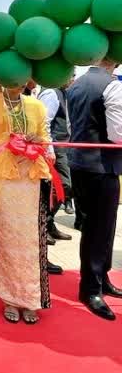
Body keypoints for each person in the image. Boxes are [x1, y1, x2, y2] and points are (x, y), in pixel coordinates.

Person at [0, 78, 53, 325]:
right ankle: (10, 298)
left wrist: (37, 140)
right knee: (8, 238)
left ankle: (31, 298)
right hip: (6, 179)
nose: (19, 81)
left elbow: (46, 138)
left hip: (31, 177)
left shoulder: (36, 106)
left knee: (32, 239)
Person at [66, 58, 122, 321]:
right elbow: (118, 134)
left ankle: (100, 279)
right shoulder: (112, 85)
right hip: (102, 166)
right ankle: (91, 288)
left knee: (95, 228)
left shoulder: (76, 85)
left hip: (79, 163)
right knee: (100, 229)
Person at [32, 79, 74, 244]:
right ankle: (43, 223)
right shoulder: (51, 93)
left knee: (61, 188)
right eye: (69, 75)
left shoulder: (62, 92)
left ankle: (48, 224)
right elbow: (44, 123)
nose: (72, 79)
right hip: (55, 147)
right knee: (63, 185)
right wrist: (49, 149)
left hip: (63, 145)